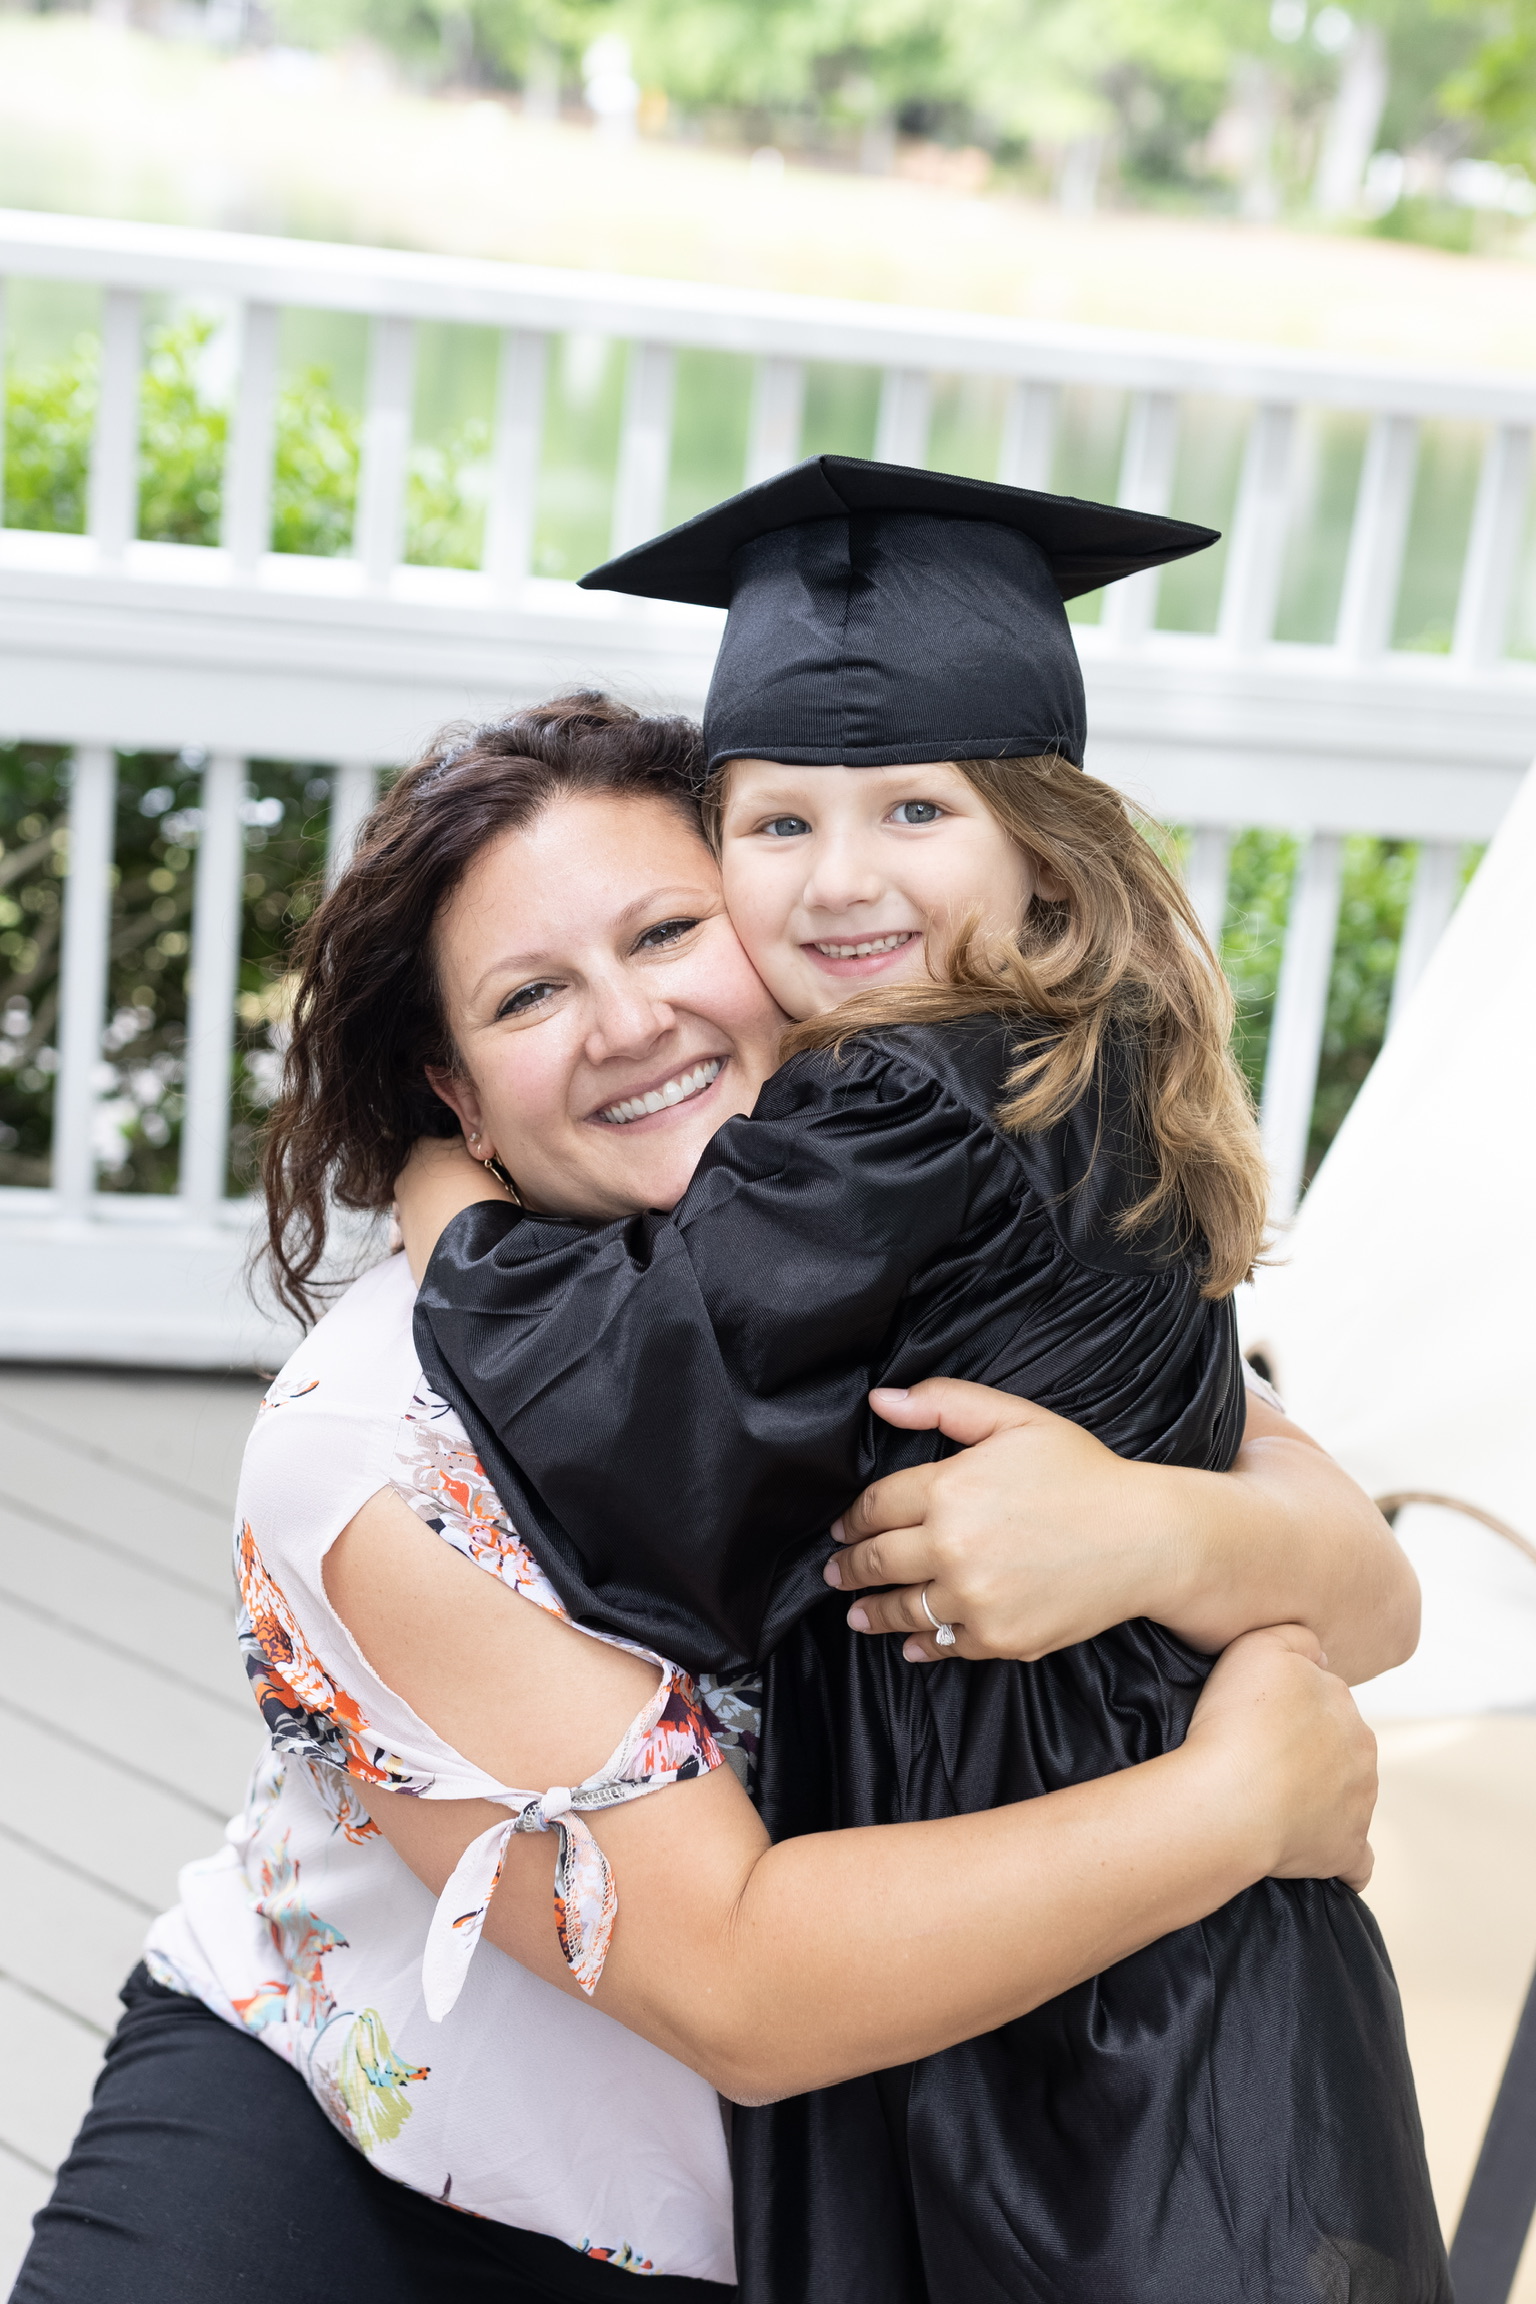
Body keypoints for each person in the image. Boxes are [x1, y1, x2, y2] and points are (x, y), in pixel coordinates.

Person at [400, 463, 1450, 2304]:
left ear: (1044, 840)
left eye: (914, 806)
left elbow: (649, 1418)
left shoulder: (892, 1096)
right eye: (777, 821)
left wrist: (454, 1222)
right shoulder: (1094, 1050)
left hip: (1042, 1900)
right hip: (1183, 1879)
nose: (842, 877)